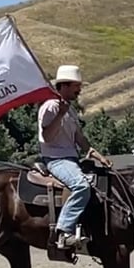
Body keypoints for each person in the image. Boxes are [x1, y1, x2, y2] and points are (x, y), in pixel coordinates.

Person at [38, 64, 113, 249]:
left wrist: (97, 154)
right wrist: (60, 114)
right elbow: (46, 137)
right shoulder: (50, 107)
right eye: (75, 86)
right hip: (56, 159)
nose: (79, 90)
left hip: (72, 158)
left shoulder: (69, 109)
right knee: (81, 186)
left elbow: (79, 137)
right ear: (63, 86)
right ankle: (64, 233)